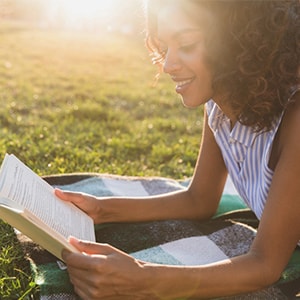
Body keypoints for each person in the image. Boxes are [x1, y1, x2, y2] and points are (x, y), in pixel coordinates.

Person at [55, 0, 300, 299]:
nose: (168, 64)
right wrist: (100, 209)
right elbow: (199, 199)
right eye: (164, 46)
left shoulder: (295, 119)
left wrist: (144, 278)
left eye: (186, 44)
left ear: (238, 41)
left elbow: (265, 265)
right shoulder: (220, 103)